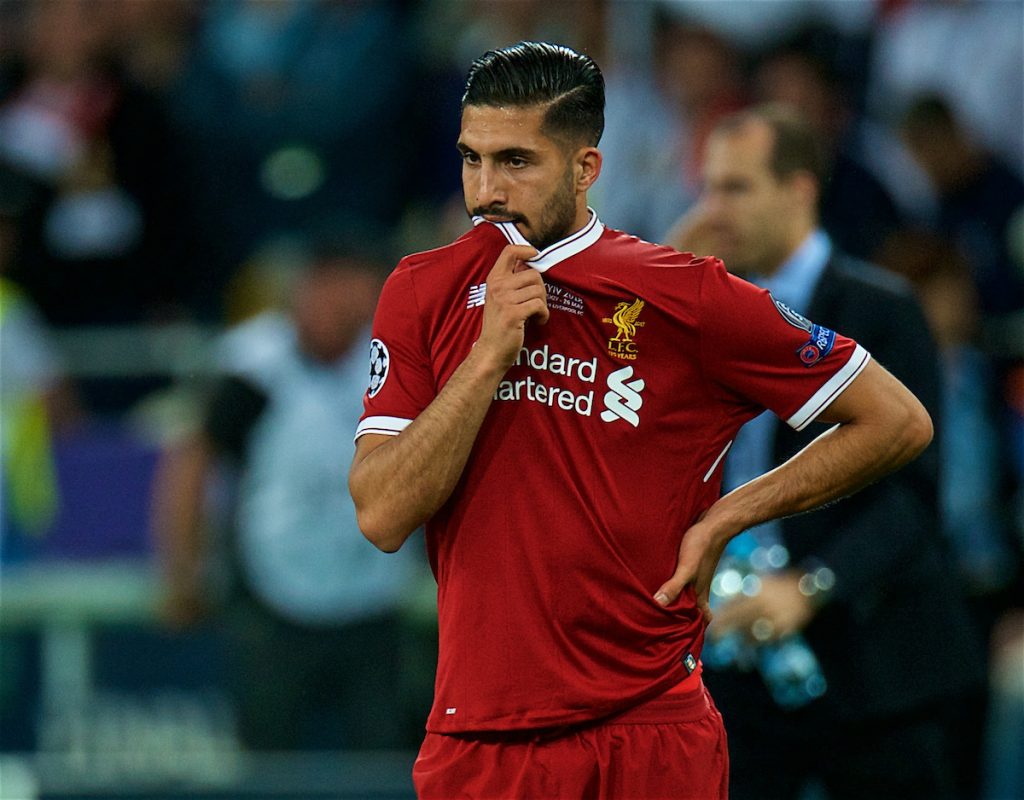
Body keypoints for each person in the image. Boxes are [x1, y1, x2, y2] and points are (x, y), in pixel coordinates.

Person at [349, 43, 933, 800]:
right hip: (483, 743)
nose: (486, 191)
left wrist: (729, 515)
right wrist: (487, 360)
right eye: (472, 159)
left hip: (651, 731)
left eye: (516, 162)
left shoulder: (684, 294)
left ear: (586, 167)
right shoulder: (423, 290)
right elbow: (383, 513)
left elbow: (896, 420)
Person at [667, 104, 985, 800]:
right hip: (736, 661)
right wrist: (664, 274)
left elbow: (913, 496)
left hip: (876, 666)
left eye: (737, 188)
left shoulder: (882, 310)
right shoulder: (703, 314)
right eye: (708, 188)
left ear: (800, 189)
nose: (715, 210)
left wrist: (811, 585)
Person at [153, 245, 426, 751]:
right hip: (271, 595)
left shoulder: (395, 359)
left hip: (373, 594)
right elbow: (192, 465)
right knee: (268, 763)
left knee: (384, 758)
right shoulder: (253, 367)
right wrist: (182, 571)